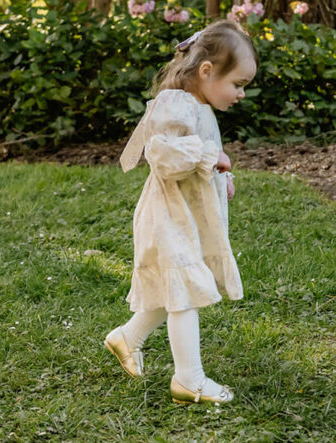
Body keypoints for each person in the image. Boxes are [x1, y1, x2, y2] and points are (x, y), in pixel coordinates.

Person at [104, 20, 255, 405]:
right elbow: (165, 156)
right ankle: (189, 380)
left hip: (181, 217)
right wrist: (210, 156)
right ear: (206, 71)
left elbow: (198, 157)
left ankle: (127, 338)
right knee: (184, 293)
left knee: (174, 288)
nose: (240, 94)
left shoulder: (198, 105)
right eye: (237, 84)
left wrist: (220, 175)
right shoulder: (176, 103)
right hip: (166, 217)